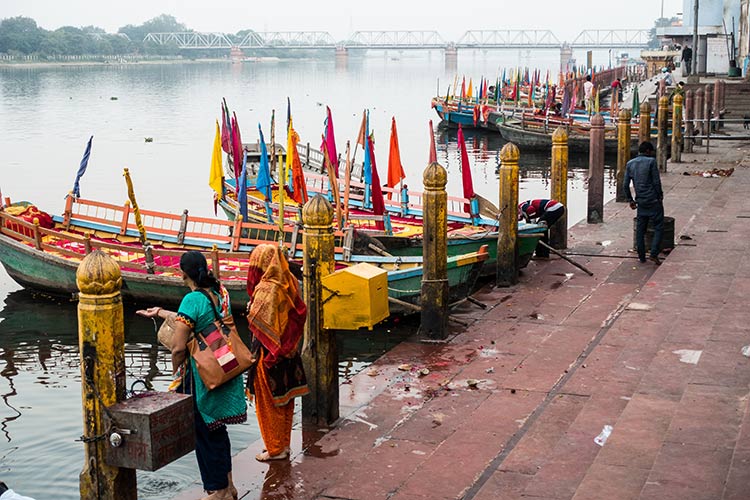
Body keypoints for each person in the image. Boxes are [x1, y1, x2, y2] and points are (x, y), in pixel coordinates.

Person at [137, 251, 246, 500]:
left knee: (204, 431)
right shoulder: (221, 292)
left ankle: (217, 490)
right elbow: (198, 319)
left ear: (182, 273)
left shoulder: (191, 299)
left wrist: (177, 372)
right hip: (223, 364)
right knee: (217, 428)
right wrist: (161, 312)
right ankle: (228, 486)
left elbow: (178, 346)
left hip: (201, 375)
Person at [244, 244, 309, 462]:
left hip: (269, 352)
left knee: (268, 403)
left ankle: (275, 448)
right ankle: (284, 444)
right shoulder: (288, 279)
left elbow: (257, 319)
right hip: (289, 351)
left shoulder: (267, 288)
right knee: (285, 400)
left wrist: (250, 309)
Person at [623, 141, 664, 265]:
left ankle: (641, 256)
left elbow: (625, 185)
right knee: (658, 227)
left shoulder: (630, 164)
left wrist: (630, 200)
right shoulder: (651, 162)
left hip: (640, 201)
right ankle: (654, 253)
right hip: (653, 200)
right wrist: (660, 195)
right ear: (647, 151)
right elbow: (656, 182)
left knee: (641, 230)